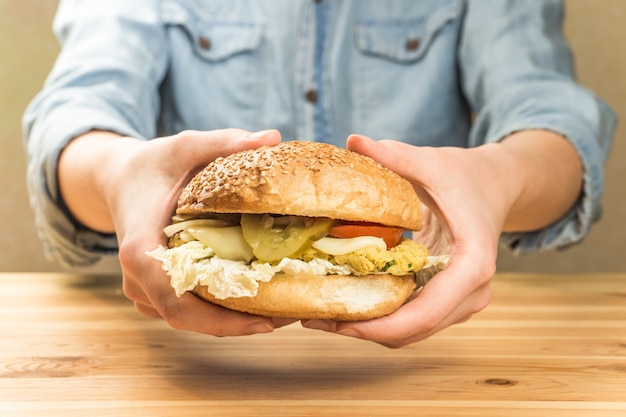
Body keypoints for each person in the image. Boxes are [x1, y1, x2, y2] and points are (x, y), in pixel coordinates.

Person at [24, 0, 615, 348]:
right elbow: (76, 117)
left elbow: (552, 118)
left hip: (433, 365)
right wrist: (119, 173)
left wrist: (499, 178)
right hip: (184, 360)